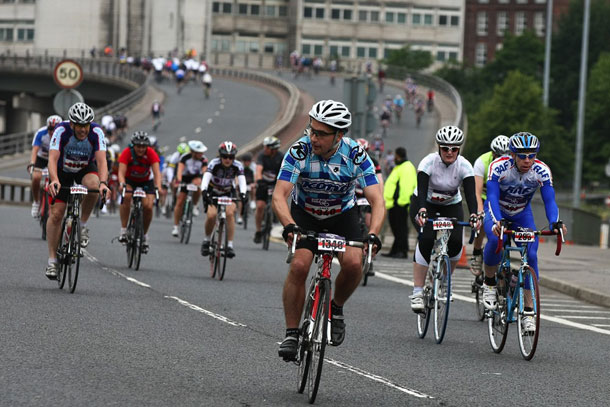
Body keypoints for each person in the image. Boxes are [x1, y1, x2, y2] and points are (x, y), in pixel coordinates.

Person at [273, 100, 385, 361]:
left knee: (355, 264)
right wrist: (289, 225)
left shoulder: (355, 155)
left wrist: (373, 234)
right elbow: (279, 195)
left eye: (321, 134)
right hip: (305, 214)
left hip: (342, 215)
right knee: (299, 265)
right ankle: (292, 333)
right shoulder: (300, 151)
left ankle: (336, 308)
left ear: (339, 135)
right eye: (312, 130)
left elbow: (377, 200)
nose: (313, 138)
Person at [481, 132, 567, 332]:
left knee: (531, 255)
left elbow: (549, 200)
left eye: (531, 155)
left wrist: (554, 223)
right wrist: (497, 221)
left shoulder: (541, 170)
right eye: (522, 156)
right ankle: (490, 283)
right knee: (494, 239)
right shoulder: (498, 167)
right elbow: (491, 196)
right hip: (497, 211)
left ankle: (528, 311)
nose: (527, 160)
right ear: (512, 155)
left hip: (521, 214)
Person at [409, 125, 479, 312]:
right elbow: (422, 190)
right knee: (426, 239)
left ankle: (445, 280)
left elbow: (471, 195)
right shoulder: (428, 162)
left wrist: (474, 214)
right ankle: (417, 291)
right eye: (445, 148)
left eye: (454, 149)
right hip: (425, 203)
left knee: (456, 243)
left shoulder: (464, 166)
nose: (449, 152)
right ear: (439, 148)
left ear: (458, 149)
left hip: (451, 205)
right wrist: (422, 210)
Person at [45, 103, 109, 279]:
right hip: (62, 172)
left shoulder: (96, 132)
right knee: (56, 214)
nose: (83, 129)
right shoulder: (61, 130)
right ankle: (52, 261)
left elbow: (102, 161)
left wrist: (104, 183)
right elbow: (52, 158)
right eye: (79, 125)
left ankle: (82, 225)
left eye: (86, 125)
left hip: (84, 168)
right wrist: (54, 180)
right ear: (72, 124)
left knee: (94, 186)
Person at [470, 135, 510, 275]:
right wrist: (480, 211)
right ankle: (476, 253)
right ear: (493, 153)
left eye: (506, 156)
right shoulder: (482, 162)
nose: (502, 160)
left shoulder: (512, 164)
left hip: (501, 200)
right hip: (483, 197)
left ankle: (504, 256)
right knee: (481, 221)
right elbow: (476, 191)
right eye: (498, 156)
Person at [200, 141, 247, 258]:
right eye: (225, 156)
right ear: (220, 156)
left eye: (231, 157)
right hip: (213, 191)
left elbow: (242, 180)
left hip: (228, 191)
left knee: (230, 213)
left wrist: (243, 193)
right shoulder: (214, 163)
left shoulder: (238, 165)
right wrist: (204, 191)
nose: (228, 160)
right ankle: (206, 240)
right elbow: (206, 178)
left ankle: (229, 245)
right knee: (211, 215)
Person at [117, 132, 162, 250]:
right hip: (130, 180)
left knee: (148, 206)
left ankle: (145, 235)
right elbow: (121, 172)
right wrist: (122, 183)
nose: (141, 149)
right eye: (138, 146)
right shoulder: (127, 152)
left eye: (143, 146)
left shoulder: (151, 153)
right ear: (133, 145)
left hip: (146, 182)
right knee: (126, 197)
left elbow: (157, 172)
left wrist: (158, 186)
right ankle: (123, 230)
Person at [383, 147, 417, 258]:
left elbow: (406, 186)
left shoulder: (406, 167)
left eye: (395, 156)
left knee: (401, 228)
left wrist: (402, 202)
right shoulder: (400, 167)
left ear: (398, 155)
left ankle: (402, 251)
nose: (394, 158)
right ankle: (395, 250)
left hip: (400, 204)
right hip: (394, 203)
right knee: (396, 227)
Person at [28, 115, 62, 217]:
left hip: (56, 159)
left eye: (54, 129)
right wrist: (32, 163)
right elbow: (35, 150)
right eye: (50, 129)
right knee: (36, 177)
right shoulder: (41, 133)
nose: (52, 132)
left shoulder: (63, 135)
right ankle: (36, 202)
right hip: (42, 158)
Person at [172, 140, 208, 237]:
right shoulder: (185, 157)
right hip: (185, 178)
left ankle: (195, 205)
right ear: (193, 152)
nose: (201, 154)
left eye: (202, 152)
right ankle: (175, 227)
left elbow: (205, 172)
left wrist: (201, 179)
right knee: (180, 201)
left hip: (196, 177)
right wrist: (179, 181)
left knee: (198, 188)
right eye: (199, 153)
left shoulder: (204, 159)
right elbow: (179, 170)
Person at [253, 136, 283, 244]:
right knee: (260, 206)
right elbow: (258, 170)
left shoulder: (281, 157)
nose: (264, 149)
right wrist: (258, 180)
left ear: (274, 149)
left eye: (267, 147)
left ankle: (275, 217)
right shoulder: (262, 156)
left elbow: (284, 171)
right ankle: (258, 231)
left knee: (279, 202)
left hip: (275, 183)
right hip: (263, 183)